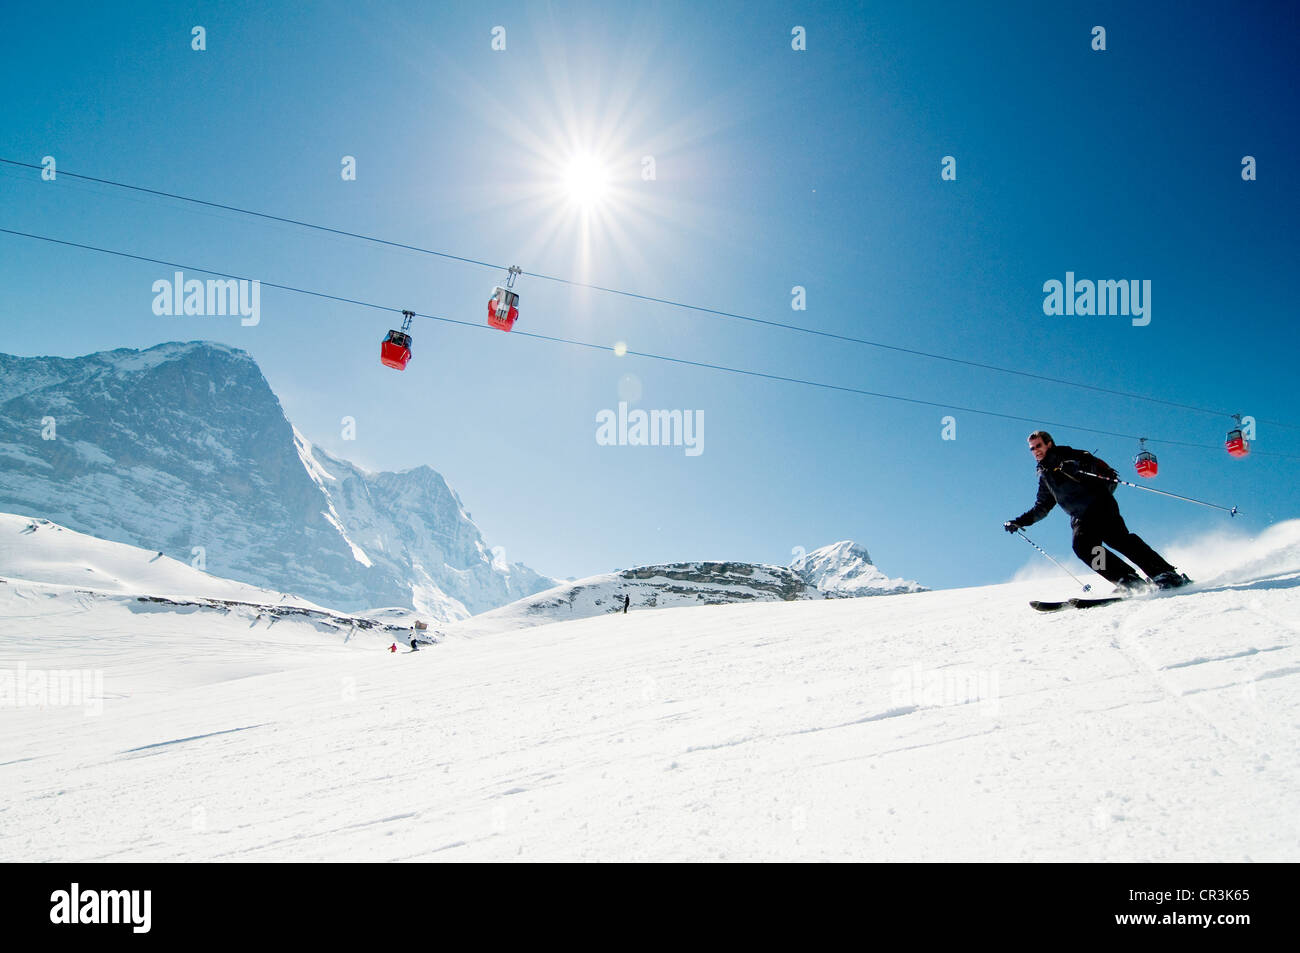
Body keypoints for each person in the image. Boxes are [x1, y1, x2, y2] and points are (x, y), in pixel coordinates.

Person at [1004, 431, 1188, 592]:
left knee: (1119, 540)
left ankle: (1164, 573)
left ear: (1049, 443)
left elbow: (1093, 465)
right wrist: (1020, 521)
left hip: (1099, 504)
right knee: (1083, 547)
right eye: (1032, 448)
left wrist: (1077, 467)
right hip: (1080, 516)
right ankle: (1126, 579)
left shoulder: (1069, 455)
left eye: (1038, 446)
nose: (1035, 450)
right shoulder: (1045, 475)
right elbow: (1042, 506)